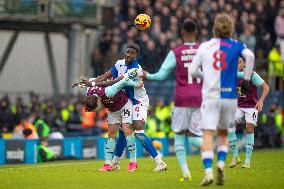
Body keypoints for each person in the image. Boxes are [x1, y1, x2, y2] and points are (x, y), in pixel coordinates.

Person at [190, 13, 255, 186]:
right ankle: (220, 164)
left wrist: (207, 76)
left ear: (215, 28)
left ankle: (209, 172)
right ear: (231, 28)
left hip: (211, 96)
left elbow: (192, 71)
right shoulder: (237, 45)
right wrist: (247, 79)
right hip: (230, 98)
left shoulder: (205, 46)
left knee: (208, 134)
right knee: (223, 134)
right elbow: (250, 56)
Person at [84, 43, 167, 171]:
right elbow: (105, 76)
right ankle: (115, 163)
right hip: (125, 100)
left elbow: (114, 82)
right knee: (123, 132)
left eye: (132, 53)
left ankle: (159, 162)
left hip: (138, 101)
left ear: (136, 56)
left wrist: (93, 82)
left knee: (138, 133)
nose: (129, 54)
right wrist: (91, 83)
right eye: (128, 52)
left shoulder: (135, 69)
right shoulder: (119, 63)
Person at [143, 19, 202, 181]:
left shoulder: (176, 52)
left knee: (179, 136)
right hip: (200, 98)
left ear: (182, 33)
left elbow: (160, 76)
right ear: (195, 33)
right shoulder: (204, 50)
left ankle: (185, 173)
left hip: (182, 98)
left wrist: (147, 75)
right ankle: (212, 145)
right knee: (196, 137)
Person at [73, 75, 141, 172]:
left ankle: (133, 162)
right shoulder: (89, 92)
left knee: (127, 131)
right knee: (111, 134)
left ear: (98, 102)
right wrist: (79, 84)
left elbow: (122, 82)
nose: (96, 111)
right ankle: (108, 163)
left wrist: (137, 84)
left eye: (96, 109)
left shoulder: (109, 91)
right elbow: (91, 80)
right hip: (112, 109)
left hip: (125, 105)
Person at [228, 58, 269, 169]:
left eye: (240, 62)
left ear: (244, 63)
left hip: (251, 106)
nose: (237, 64)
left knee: (249, 128)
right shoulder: (233, 74)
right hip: (239, 106)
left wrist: (261, 100)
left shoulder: (251, 74)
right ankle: (235, 157)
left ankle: (247, 161)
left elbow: (266, 87)